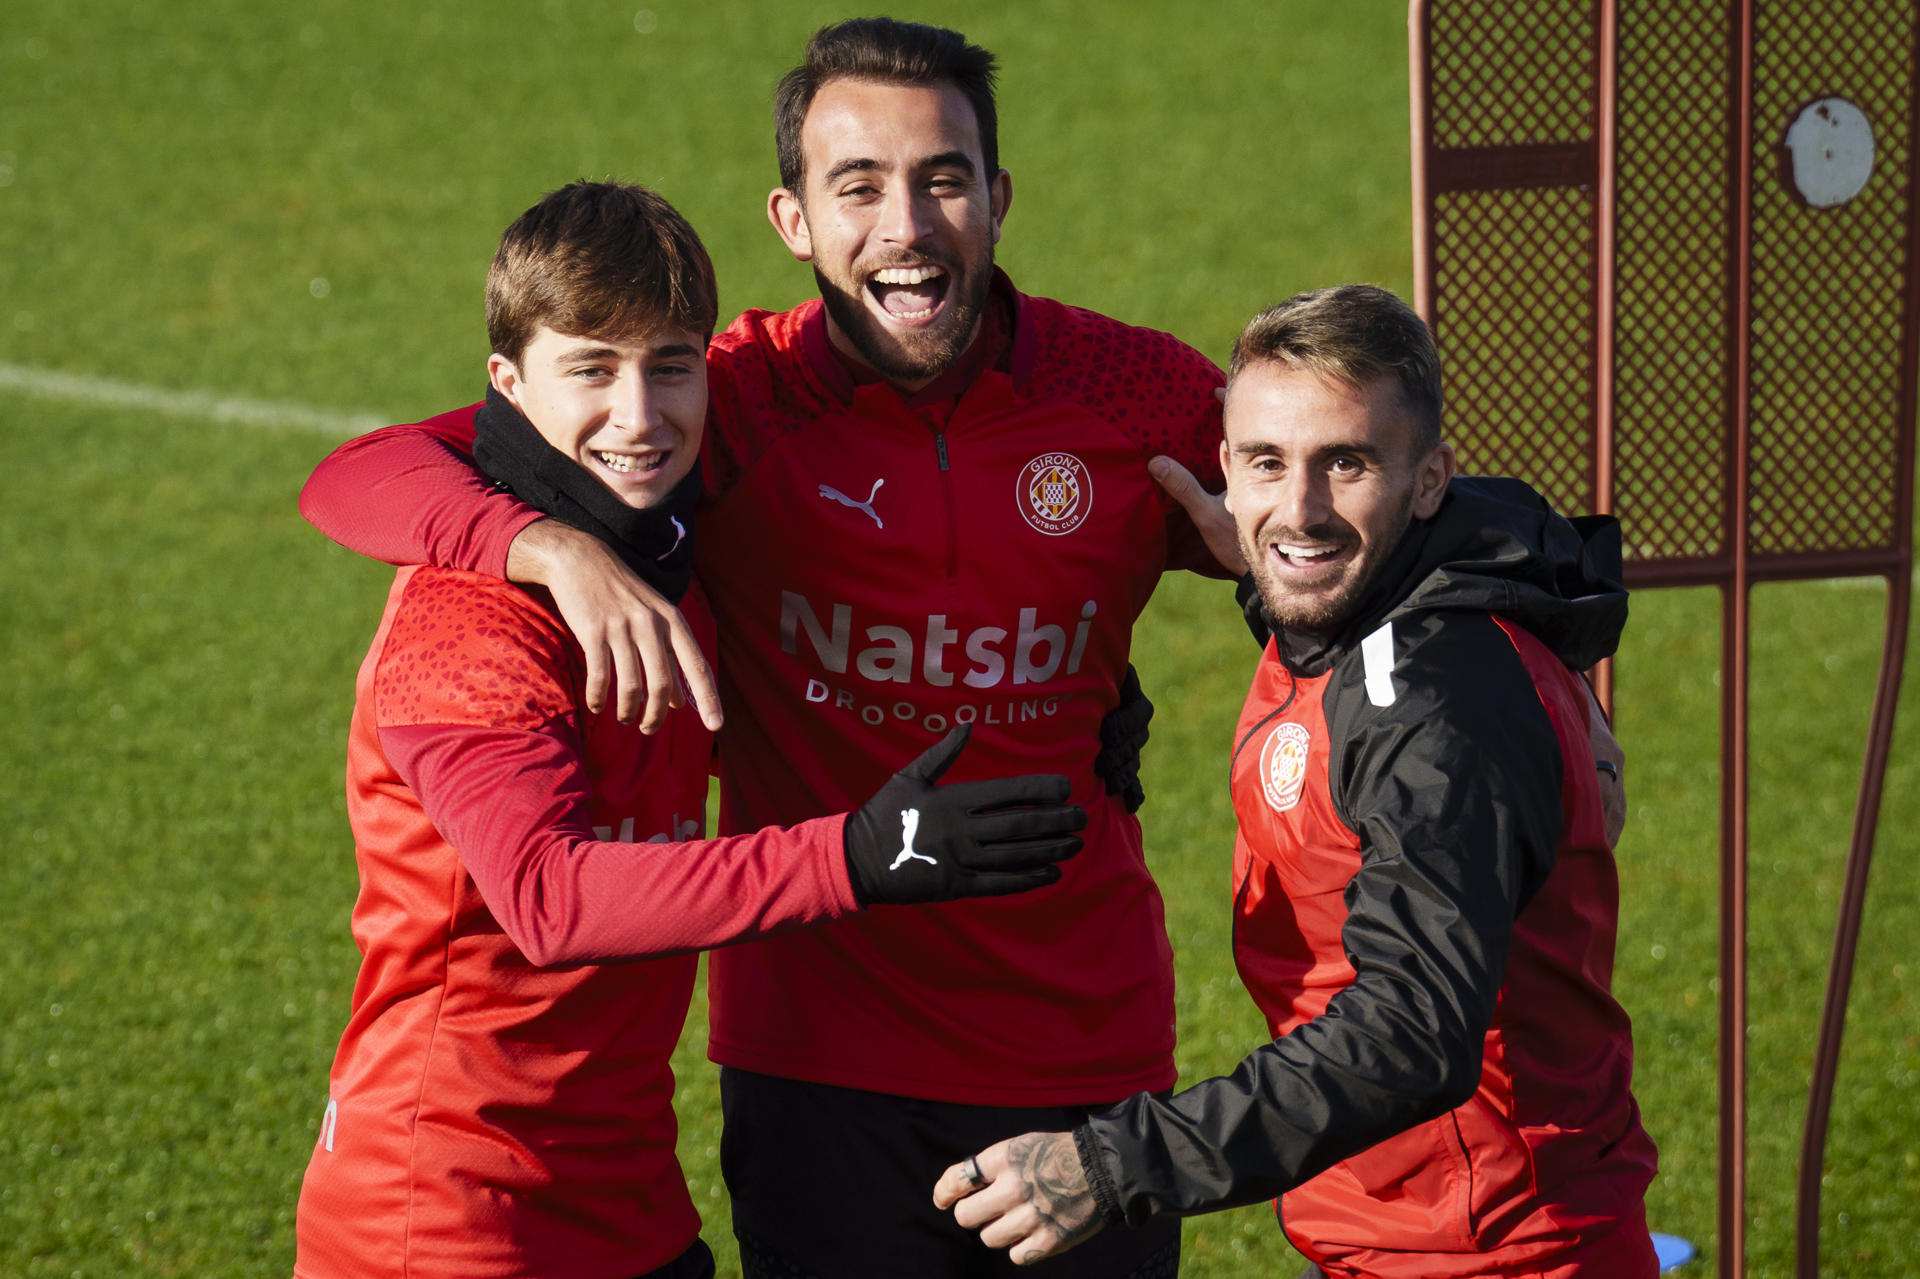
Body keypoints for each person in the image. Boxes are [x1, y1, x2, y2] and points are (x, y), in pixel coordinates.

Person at [296, 20, 1222, 1277]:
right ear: (792, 220)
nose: (906, 224)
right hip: (812, 1074)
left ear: (998, 195)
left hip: (1080, 1063)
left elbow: (1349, 493)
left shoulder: (1131, 393)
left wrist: (1289, 606)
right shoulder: (724, 403)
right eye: (858, 186)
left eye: (942, 177)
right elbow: (359, 472)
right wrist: (544, 549)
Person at [936, 286, 1659, 1278]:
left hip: (1485, 1248)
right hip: (1418, 1227)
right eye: (1269, 464)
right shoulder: (1385, 617)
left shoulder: (1435, 711)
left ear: (1430, 478)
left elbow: (1411, 1033)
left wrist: (1110, 1165)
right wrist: (1268, 577)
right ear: (1225, 468)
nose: (1302, 509)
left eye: (1347, 464)